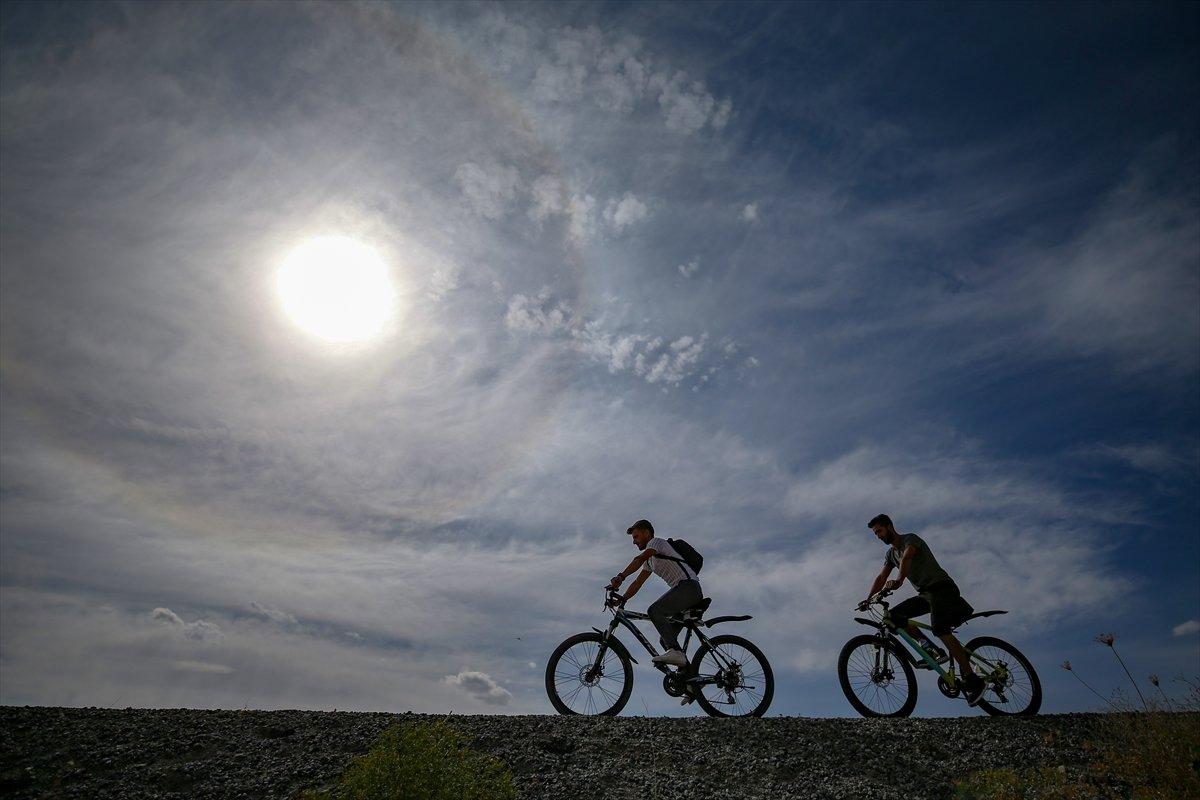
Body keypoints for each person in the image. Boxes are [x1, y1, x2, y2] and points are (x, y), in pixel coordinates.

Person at [860, 514, 985, 706]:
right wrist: (868, 599)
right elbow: (882, 576)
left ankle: (972, 679)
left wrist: (900, 580)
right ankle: (933, 650)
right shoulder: (890, 554)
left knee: (940, 629)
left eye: (879, 531)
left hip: (942, 588)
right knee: (894, 617)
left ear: (889, 527)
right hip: (926, 595)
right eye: (875, 533)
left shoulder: (910, 539)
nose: (877, 536)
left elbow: (908, 557)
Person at [606, 519, 702, 669]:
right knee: (666, 640)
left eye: (636, 537)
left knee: (654, 611)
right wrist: (623, 598)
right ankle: (689, 678)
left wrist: (621, 576)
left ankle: (676, 652)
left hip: (689, 588)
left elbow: (639, 558)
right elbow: (638, 582)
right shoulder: (650, 561)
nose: (634, 542)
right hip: (684, 591)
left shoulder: (656, 543)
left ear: (646, 533)